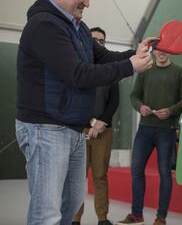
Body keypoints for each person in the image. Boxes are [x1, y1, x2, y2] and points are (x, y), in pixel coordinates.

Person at [15, 0, 154, 225]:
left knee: (71, 205)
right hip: (45, 129)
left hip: (73, 129)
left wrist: (135, 51)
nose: (88, 3)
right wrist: (131, 66)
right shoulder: (44, 26)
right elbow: (78, 74)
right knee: (47, 214)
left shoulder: (78, 28)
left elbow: (103, 58)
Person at [118, 50, 182, 225]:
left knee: (165, 173)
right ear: (154, 51)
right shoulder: (145, 71)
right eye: (159, 49)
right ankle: (136, 215)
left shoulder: (180, 72)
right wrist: (140, 107)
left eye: (165, 50)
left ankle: (161, 217)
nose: (161, 53)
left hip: (167, 129)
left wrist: (171, 111)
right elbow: (134, 96)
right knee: (136, 170)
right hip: (145, 128)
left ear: (170, 51)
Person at [72, 27, 119, 225]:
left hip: (103, 132)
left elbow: (114, 101)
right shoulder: (77, 67)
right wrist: (90, 122)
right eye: (94, 40)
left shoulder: (110, 70)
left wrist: (102, 122)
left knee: (100, 176)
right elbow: (73, 99)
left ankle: (102, 219)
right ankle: (74, 220)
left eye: (102, 41)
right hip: (78, 132)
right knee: (76, 178)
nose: (98, 43)